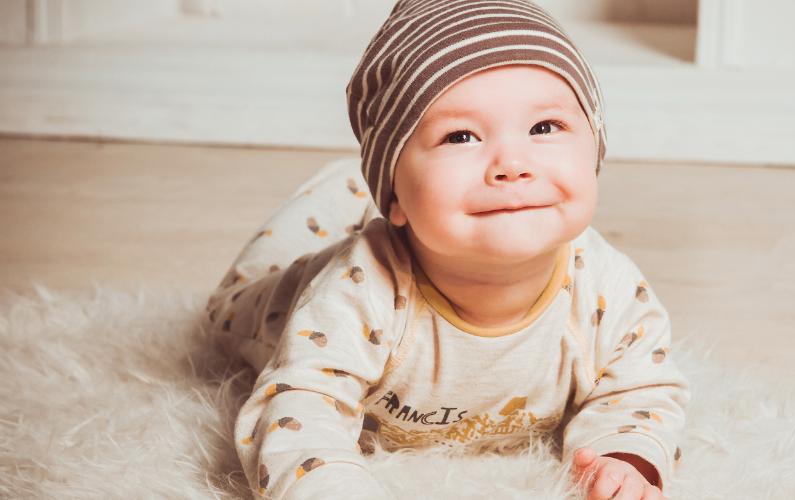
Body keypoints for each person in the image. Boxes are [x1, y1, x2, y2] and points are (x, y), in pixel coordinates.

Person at [206, 1, 690, 498]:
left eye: (544, 127)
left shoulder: (608, 289)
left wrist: (623, 458)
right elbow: (298, 405)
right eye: (460, 136)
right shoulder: (358, 288)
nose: (513, 164)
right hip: (277, 303)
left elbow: (641, 390)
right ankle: (351, 186)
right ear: (394, 196)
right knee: (257, 276)